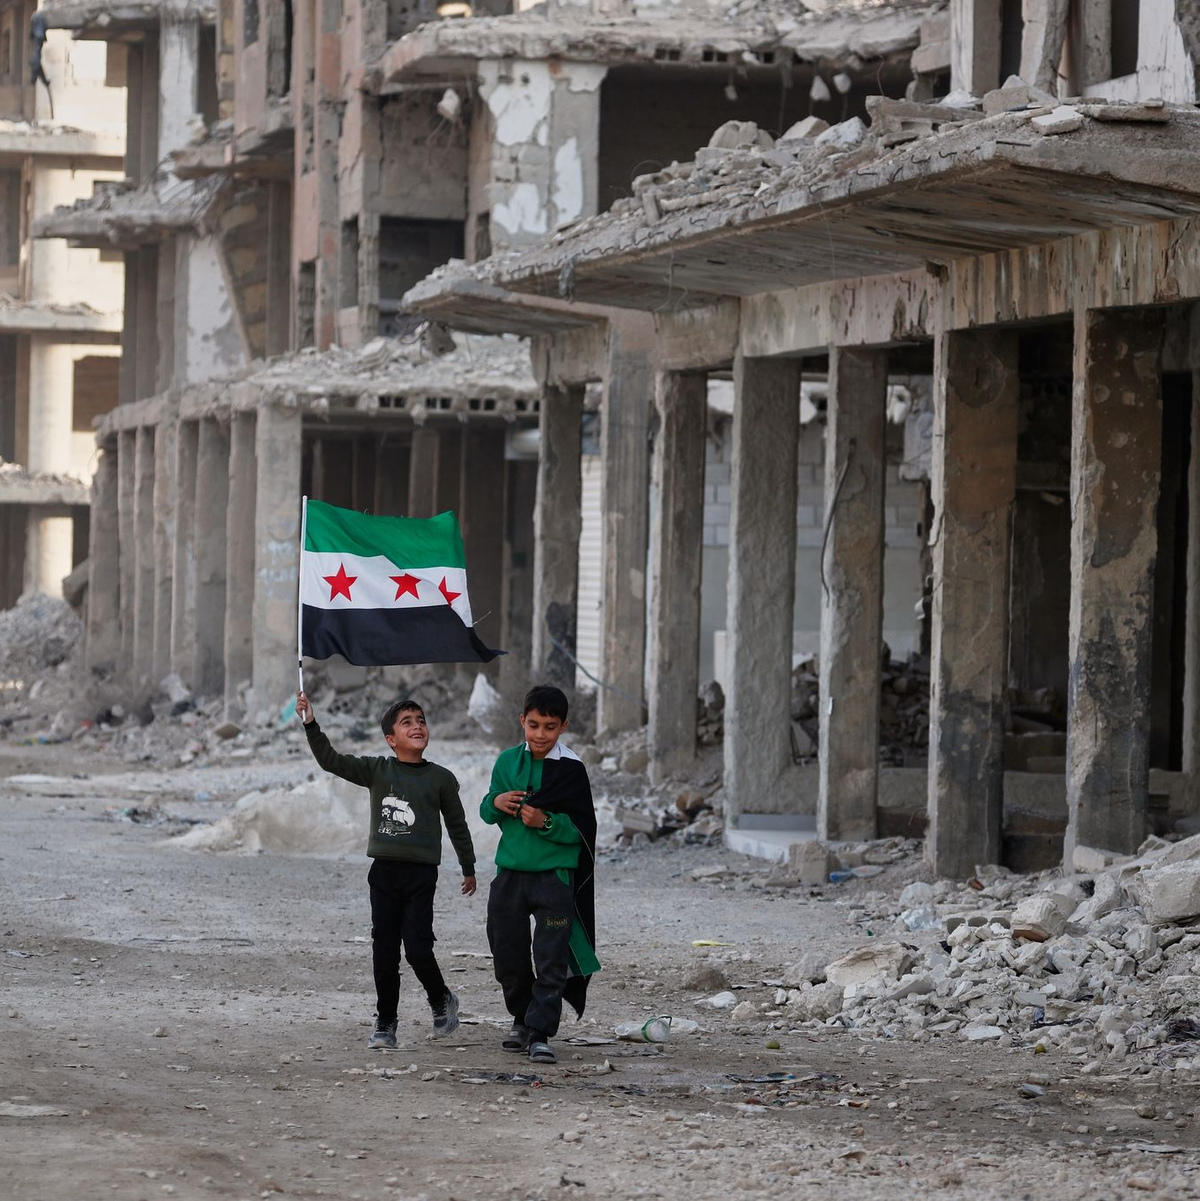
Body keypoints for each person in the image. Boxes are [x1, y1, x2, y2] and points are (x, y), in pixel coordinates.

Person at [296, 691, 476, 1051]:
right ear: (391, 739)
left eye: (421, 720)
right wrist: (310, 723)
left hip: (421, 876)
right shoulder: (377, 769)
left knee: (418, 949)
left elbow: (457, 825)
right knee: (385, 951)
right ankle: (386, 1022)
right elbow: (331, 760)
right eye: (407, 722)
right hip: (383, 874)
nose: (417, 726)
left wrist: (468, 866)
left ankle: (441, 998)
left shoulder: (441, 778)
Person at [480, 684, 599, 1065]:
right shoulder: (506, 763)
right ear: (522, 721)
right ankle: (520, 1018)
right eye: (534, 725)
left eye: (550, 726)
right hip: (510, 875)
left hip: (554, 878)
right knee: (507, 952)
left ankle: (540, 1032)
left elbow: (583, 829)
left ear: (563, 726)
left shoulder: (571, 769)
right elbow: (486, 810)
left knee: (551, 957)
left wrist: (546, 822)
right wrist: (497, 801)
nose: (541, 734)